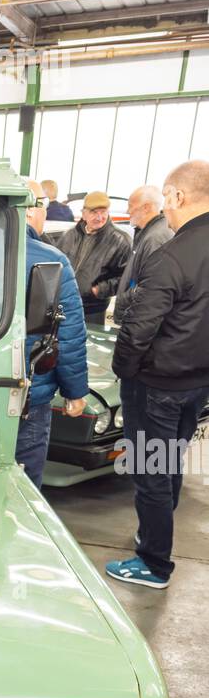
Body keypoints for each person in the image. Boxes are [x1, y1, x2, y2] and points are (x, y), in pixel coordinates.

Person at [107, 159, 209, 589]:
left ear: (178, 196)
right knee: (170, 462)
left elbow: (140, 326)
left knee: (150, 469)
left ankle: (153, 562)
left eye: (166, 198)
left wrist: (124, 371)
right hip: (197, 384)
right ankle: (155, 532)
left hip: (158, 385)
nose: (165, 208)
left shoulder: (173, 254)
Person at [16, 180, 88, 489]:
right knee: (25, 481)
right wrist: (75, 391)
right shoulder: (51, 259)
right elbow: (69, 334)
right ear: (32, 210)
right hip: (28, 395)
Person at [57, 191, 130, 323]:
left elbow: (126, 277)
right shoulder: (69, 235)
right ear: (84, 214)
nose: (99, 217)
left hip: (93, 309)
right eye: (94, 212)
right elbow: (56, 265)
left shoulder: (120, 240)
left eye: (103, 212)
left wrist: (99, 290)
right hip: (64, 305)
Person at [113, 185, 173, 324]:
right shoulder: (149, 233)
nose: (128, 211)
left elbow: (150, 287)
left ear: (146, 207)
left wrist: (124, 299)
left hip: (137, 318)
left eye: (131, 205)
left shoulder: (155, 238)